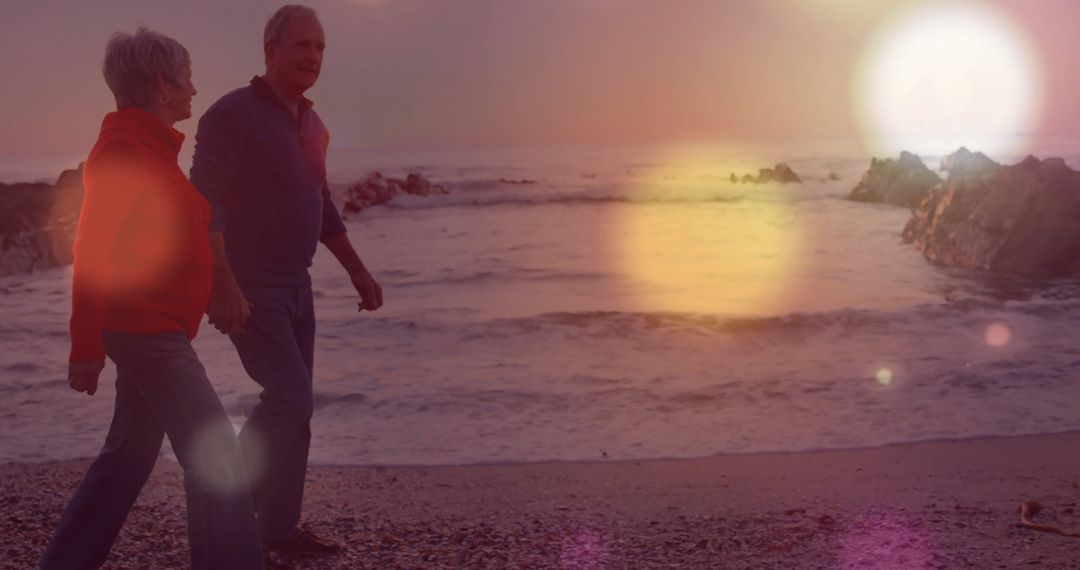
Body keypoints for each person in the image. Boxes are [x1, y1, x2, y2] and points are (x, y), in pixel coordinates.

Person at [41, 28, 264, 570]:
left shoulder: (150, 149)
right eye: (186, 78)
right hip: (145, 331)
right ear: (163, 84)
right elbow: (90, 248)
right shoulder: (124, 150)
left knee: (126, 460)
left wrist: (214, 289)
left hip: (155, 328)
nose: (193, 89)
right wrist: (84, 345)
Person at [190, 4, 383, 556]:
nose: (313, 56)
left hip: (298, 287)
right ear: (270, 51)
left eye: (320, 47)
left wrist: (358, 270)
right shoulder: (231, 115)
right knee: (290, 401)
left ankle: (277, 531)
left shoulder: (314, 125)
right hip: (251, 284)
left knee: (297, 410)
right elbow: (205, 201)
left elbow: (320, 205)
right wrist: (221, 282)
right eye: (302, 45)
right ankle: (221, 502)